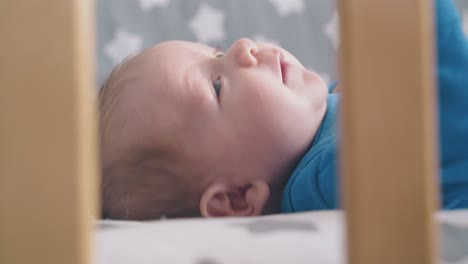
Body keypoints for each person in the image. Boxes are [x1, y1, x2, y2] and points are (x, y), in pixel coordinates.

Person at [99, 0, 468, 220]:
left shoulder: (331, 119)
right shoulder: (326, 177)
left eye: (218, 54)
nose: (243, 46)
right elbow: (447, 128)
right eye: (217, 85)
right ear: (236, 198)